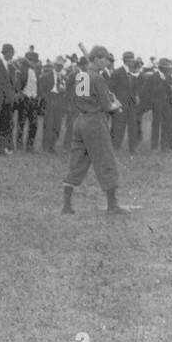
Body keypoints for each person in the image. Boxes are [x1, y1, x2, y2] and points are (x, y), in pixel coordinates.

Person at [62, 45, 131, 215]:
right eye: (105, 58)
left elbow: (83, 99)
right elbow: (108, 107)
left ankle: (66, 205)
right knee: (106, 160)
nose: (108, 61)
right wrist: (116, 104)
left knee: (77, 162)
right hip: (95, 122)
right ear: (97, 59)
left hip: (80, 121)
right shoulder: (98, 78)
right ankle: (112, 205)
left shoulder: (81, 76)